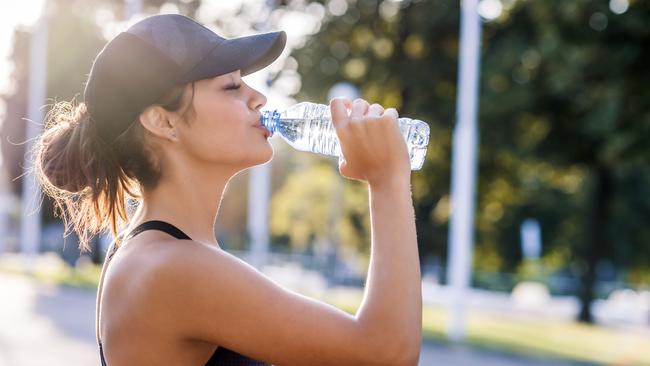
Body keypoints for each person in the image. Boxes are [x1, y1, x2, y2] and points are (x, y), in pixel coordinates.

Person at [34, 14, 422, 366]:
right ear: (162, 121)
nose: (259, 98)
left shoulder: (164, 254)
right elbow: (386, 353)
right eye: (232, 86)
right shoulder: (171, 268)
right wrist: (387, 182)